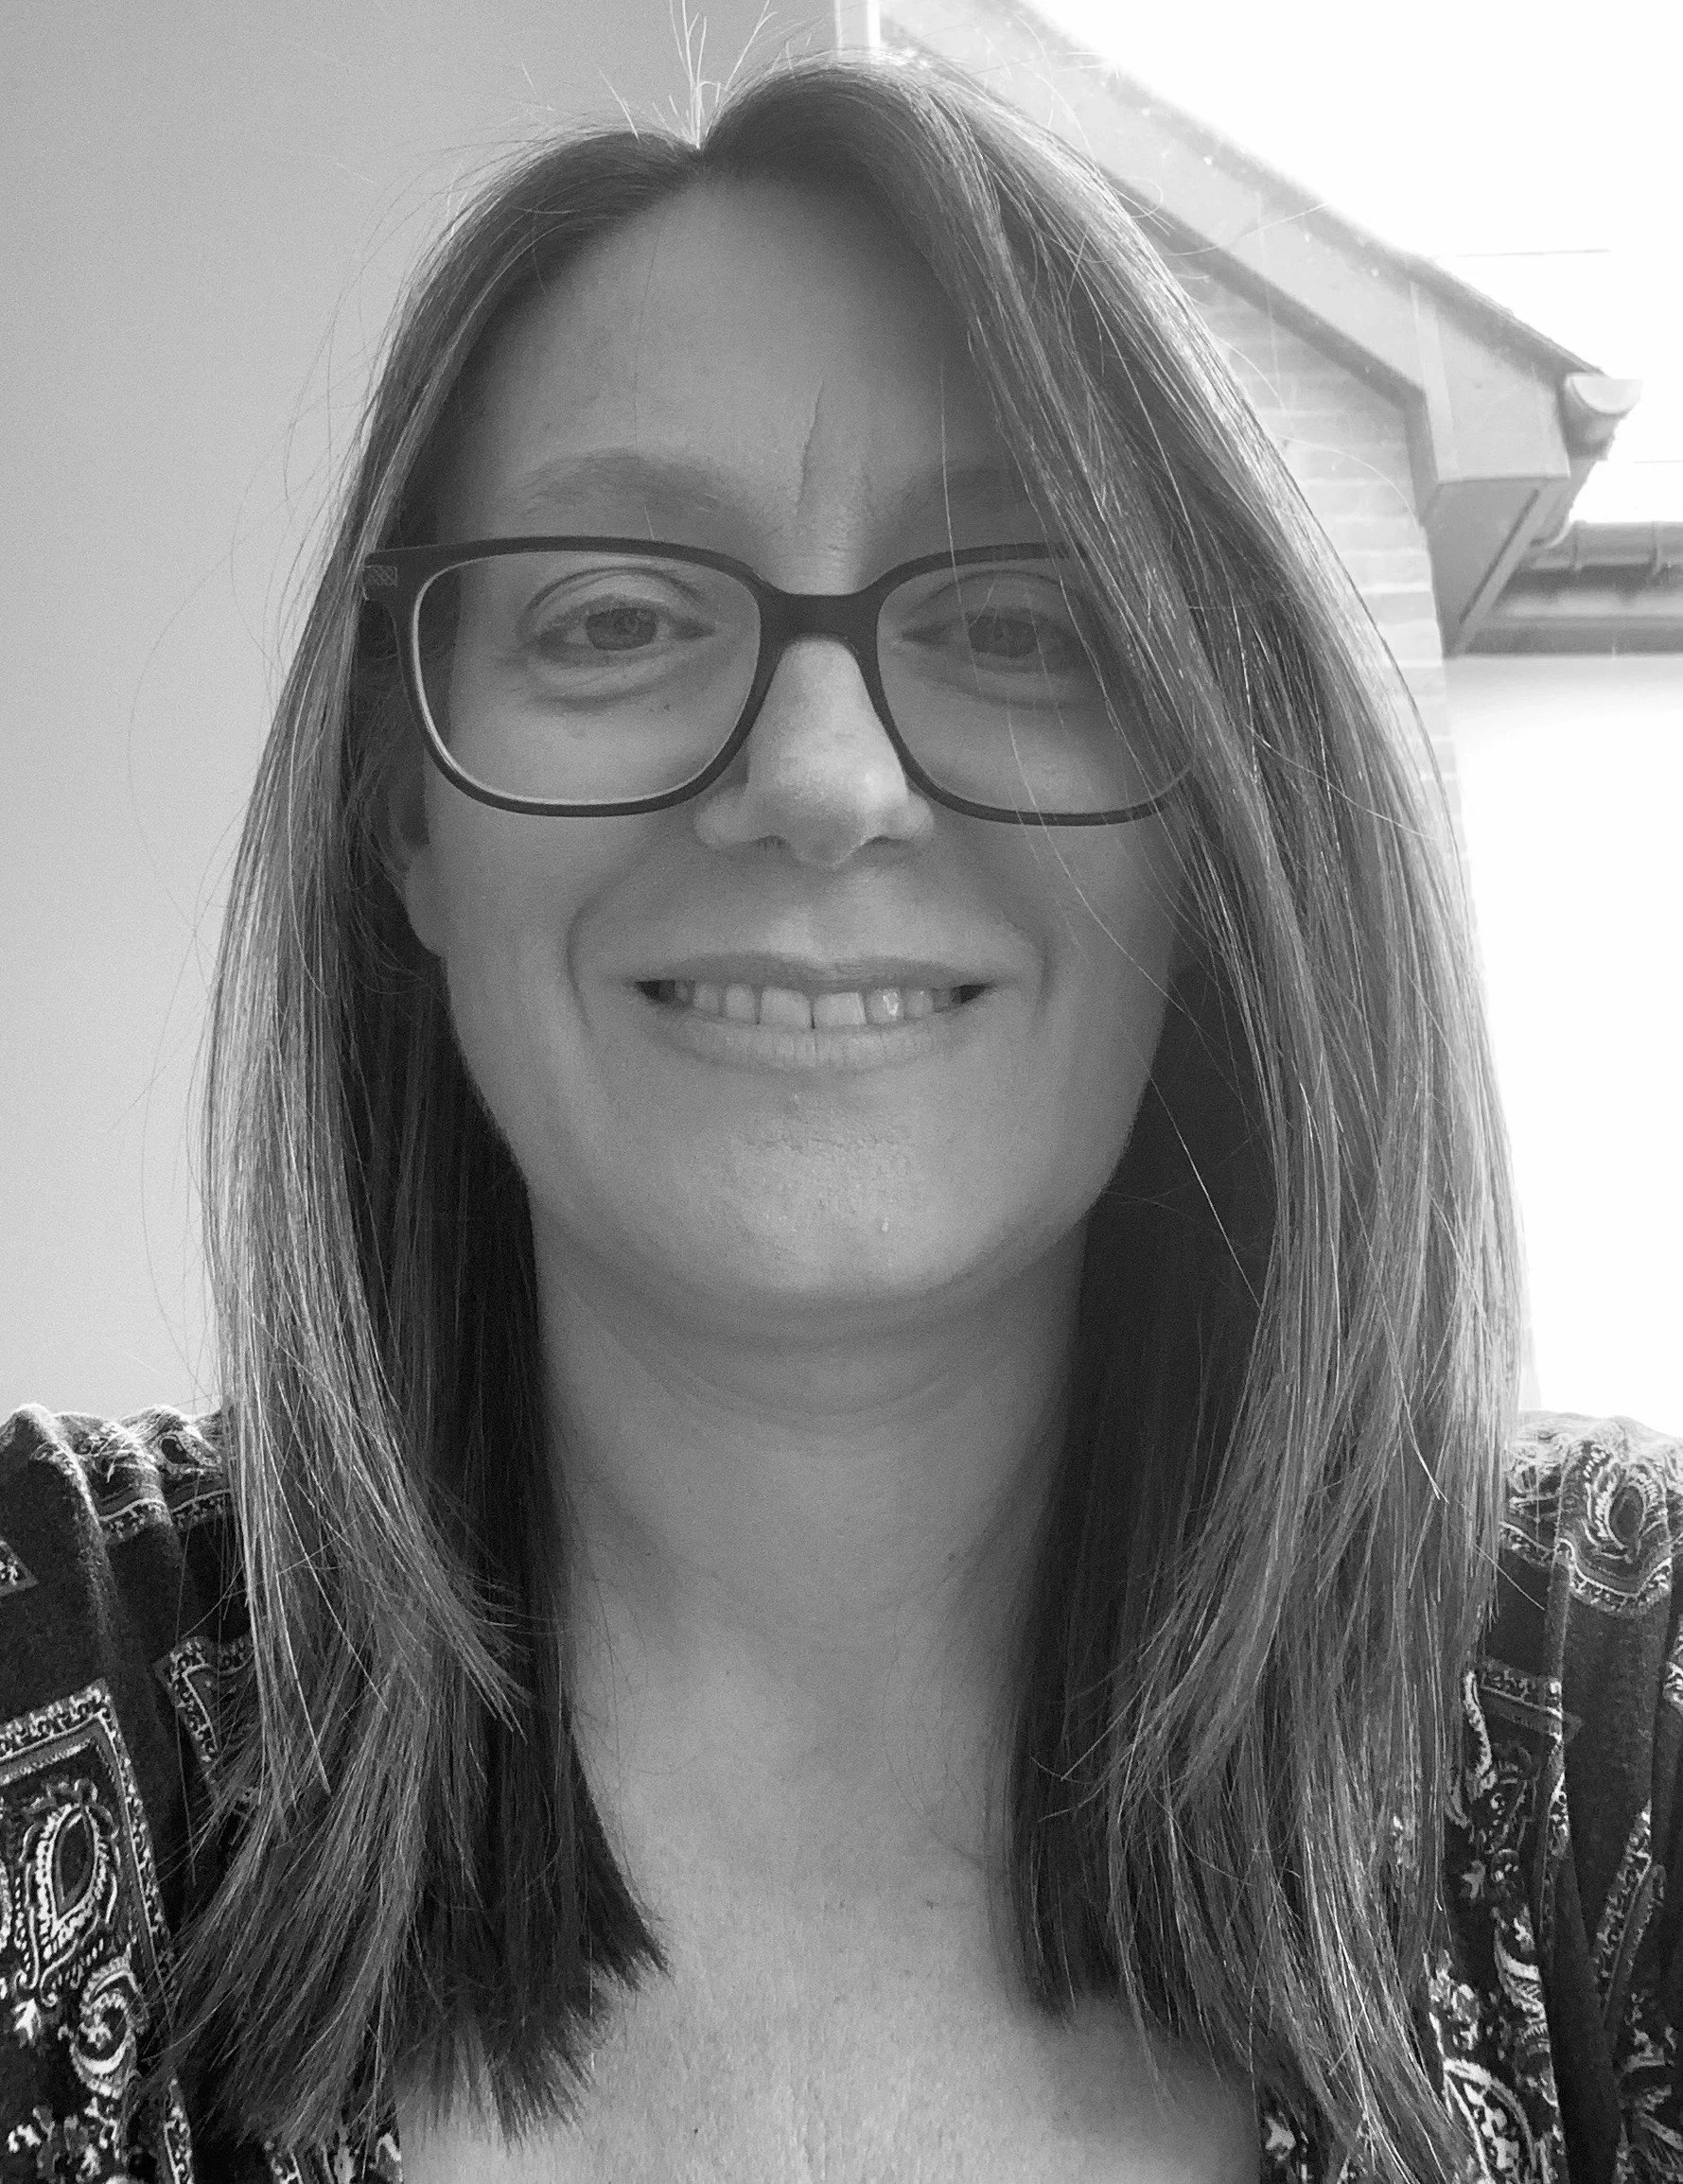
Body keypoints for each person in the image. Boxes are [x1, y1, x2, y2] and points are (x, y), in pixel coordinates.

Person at [1, 46, 1677, 2184]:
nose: (814, 779)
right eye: (611, 614)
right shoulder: (47, 1661)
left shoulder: (1618, 1701)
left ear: (1217, 822)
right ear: (398, 823)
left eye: (1010, 621)